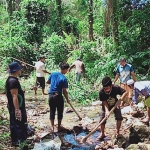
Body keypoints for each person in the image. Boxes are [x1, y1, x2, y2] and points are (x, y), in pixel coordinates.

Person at [5, 62, 28, 149]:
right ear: (16, 70)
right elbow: (14, 96)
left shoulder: (11, 80)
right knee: (20, 125)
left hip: (12, 107)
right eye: (19, 69)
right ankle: (23, 144)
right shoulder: (13, 81)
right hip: (17, 107)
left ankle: (15, 142)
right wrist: (17, 110)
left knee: (14, 124)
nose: (20, 70)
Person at [46, 62, 70, 132]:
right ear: (65, 69)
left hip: (51, 95)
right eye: (67, 69)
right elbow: (64, 91)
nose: (67, 71)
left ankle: (52, 127)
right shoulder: (64, 79)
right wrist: (67, 99)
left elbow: (47, 82)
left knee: (52, 111)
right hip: (58, 96)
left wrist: (54, 82)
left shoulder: (53, 73)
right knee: (60, 111)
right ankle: (59, 126)